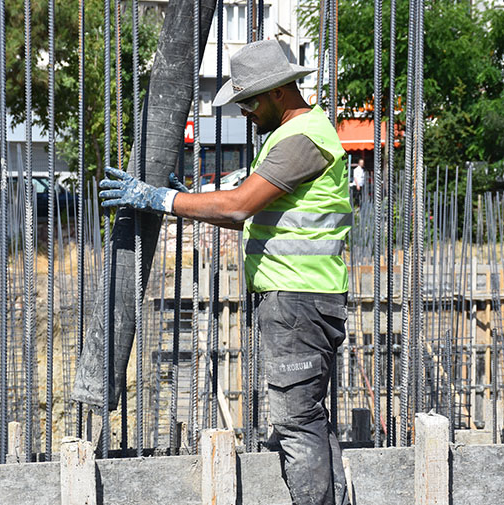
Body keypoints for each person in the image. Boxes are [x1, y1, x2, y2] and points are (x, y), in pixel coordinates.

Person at [99, 39, 350, 505]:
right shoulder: (296, 134)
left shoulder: (301, 138)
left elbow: (238, 208)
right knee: (309, 419)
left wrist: (163, 200)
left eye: (248, 101)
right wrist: (191, 201)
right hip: (304, 299)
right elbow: (248, 204)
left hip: (297, 301)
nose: (243, 112)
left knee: (296, 424)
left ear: (278, 92)